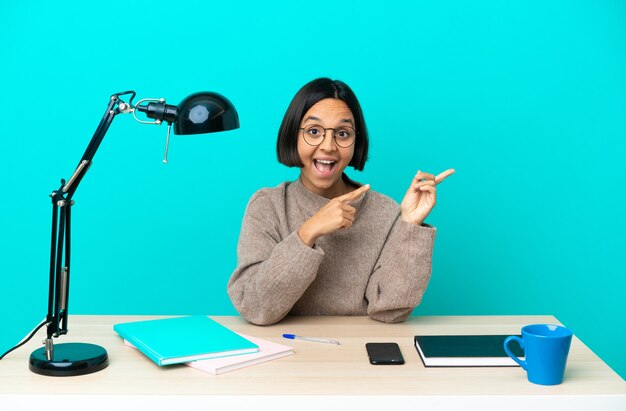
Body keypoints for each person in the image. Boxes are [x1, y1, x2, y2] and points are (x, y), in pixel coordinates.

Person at [227, 78, 454, 325]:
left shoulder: (385, 211)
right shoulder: (267, 205)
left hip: (358, 354)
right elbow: (255, 307)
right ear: (293, 135)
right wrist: (308, 232)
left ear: (356, 142)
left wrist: (409, 225)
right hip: (286, 353)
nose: (328, 146)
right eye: (314, 131)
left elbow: (391, 309)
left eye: (343, 134)